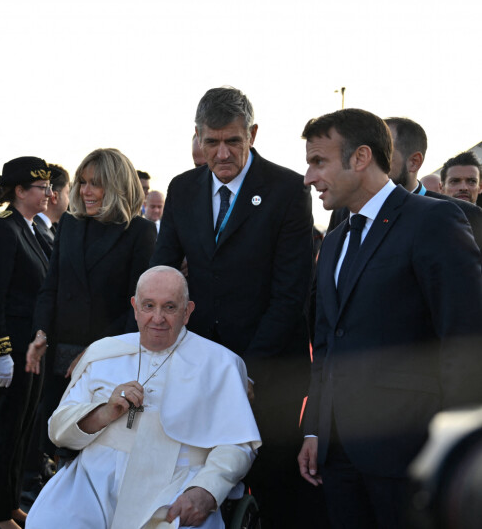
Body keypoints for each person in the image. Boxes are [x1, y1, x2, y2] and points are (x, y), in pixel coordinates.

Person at [298, 108, 482, 528]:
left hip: (411, 452)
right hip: (339, 453)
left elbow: (466, 337)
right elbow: (326, 342)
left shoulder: (433, 220)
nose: (308, 177)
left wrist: (451, 449)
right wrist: (314, 430)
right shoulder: (334, 240)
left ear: (360, 158)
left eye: (318, 161)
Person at [151, 86, 313, 527]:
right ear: (198, 138)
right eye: (212, 142)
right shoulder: (183, 189)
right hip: (201, 367)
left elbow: (290, 293)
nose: (222, 153)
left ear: (253, 135)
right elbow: (162, 273)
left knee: (273, 486)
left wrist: (247, 370)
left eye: (234, 142)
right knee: (202, 481)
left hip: (269, 368)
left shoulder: (286, 189)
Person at [26, 266, 261, 529]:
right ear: (135, 307)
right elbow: (57, 430)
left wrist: (206, 490)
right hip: (94, 482)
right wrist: (104, 412)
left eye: (169, 307)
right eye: (148, 306)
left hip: (177, 484)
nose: (157, 318)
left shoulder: (221, 364)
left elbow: (238, 445)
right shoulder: (102, 353)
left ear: (188, 311)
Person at [26, 148, 157, 462]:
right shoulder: (70, 225)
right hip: (59, 356)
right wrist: (39, 334)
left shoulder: (140, 232)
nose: (85, 191)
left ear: (116, 186)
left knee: (95, 452)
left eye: (95, 183)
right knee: (58, 445)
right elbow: (51, 287)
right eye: (82, 182)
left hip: (107, 361)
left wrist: (97, 352)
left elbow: (137, 307)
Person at [0, 157, 52, 529]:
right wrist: (0, 353)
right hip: (13, 352)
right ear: (21, 191)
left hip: (32, 353)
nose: (48, 194)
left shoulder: (33, 229)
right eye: (42, 188)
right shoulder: (2, 231)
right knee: (5, 432)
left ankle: (8, 505)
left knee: (22, 433)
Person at [326, 118, 482, 251]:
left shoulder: (464, 214)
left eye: (382, 155)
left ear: (414, 163)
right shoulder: (346, 212)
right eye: (364, 154)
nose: (366, 163)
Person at [33, 163, 70, 252]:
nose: (69, 200)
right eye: (67, 193)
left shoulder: (49, 229)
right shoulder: (40, 233)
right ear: (54, 197)